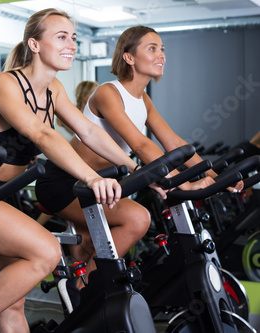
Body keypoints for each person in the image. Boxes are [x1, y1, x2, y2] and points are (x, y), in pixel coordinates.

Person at [0, 9, 157, 333]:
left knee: (11, 301)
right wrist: (90, 176)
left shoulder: (55, 90)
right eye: (61, 37)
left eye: (73, 38)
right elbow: (42, 134)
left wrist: (138, 168)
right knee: (46, 251)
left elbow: (88, 132)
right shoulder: (3, 83)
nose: (72, 44)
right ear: (34, 44)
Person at [35, 25, 239, 310]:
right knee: (137, 219)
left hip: (101, 186)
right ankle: (80, 288)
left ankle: (89, 297)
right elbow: (141, 145)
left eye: (162, 49)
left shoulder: (143, 100)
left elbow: (175, 143)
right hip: (67, 182)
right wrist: (184, 184)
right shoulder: (108, 92)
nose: (161, 55)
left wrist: (219, 177)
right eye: (152, 48)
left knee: (99, 245)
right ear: (129, 57)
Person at [36, 80, 98, 226]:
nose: (97, 96)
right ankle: (37, 225)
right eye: (94, 92)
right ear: (85, 96)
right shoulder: (71, 117)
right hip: (54, 164)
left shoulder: (90, 117)